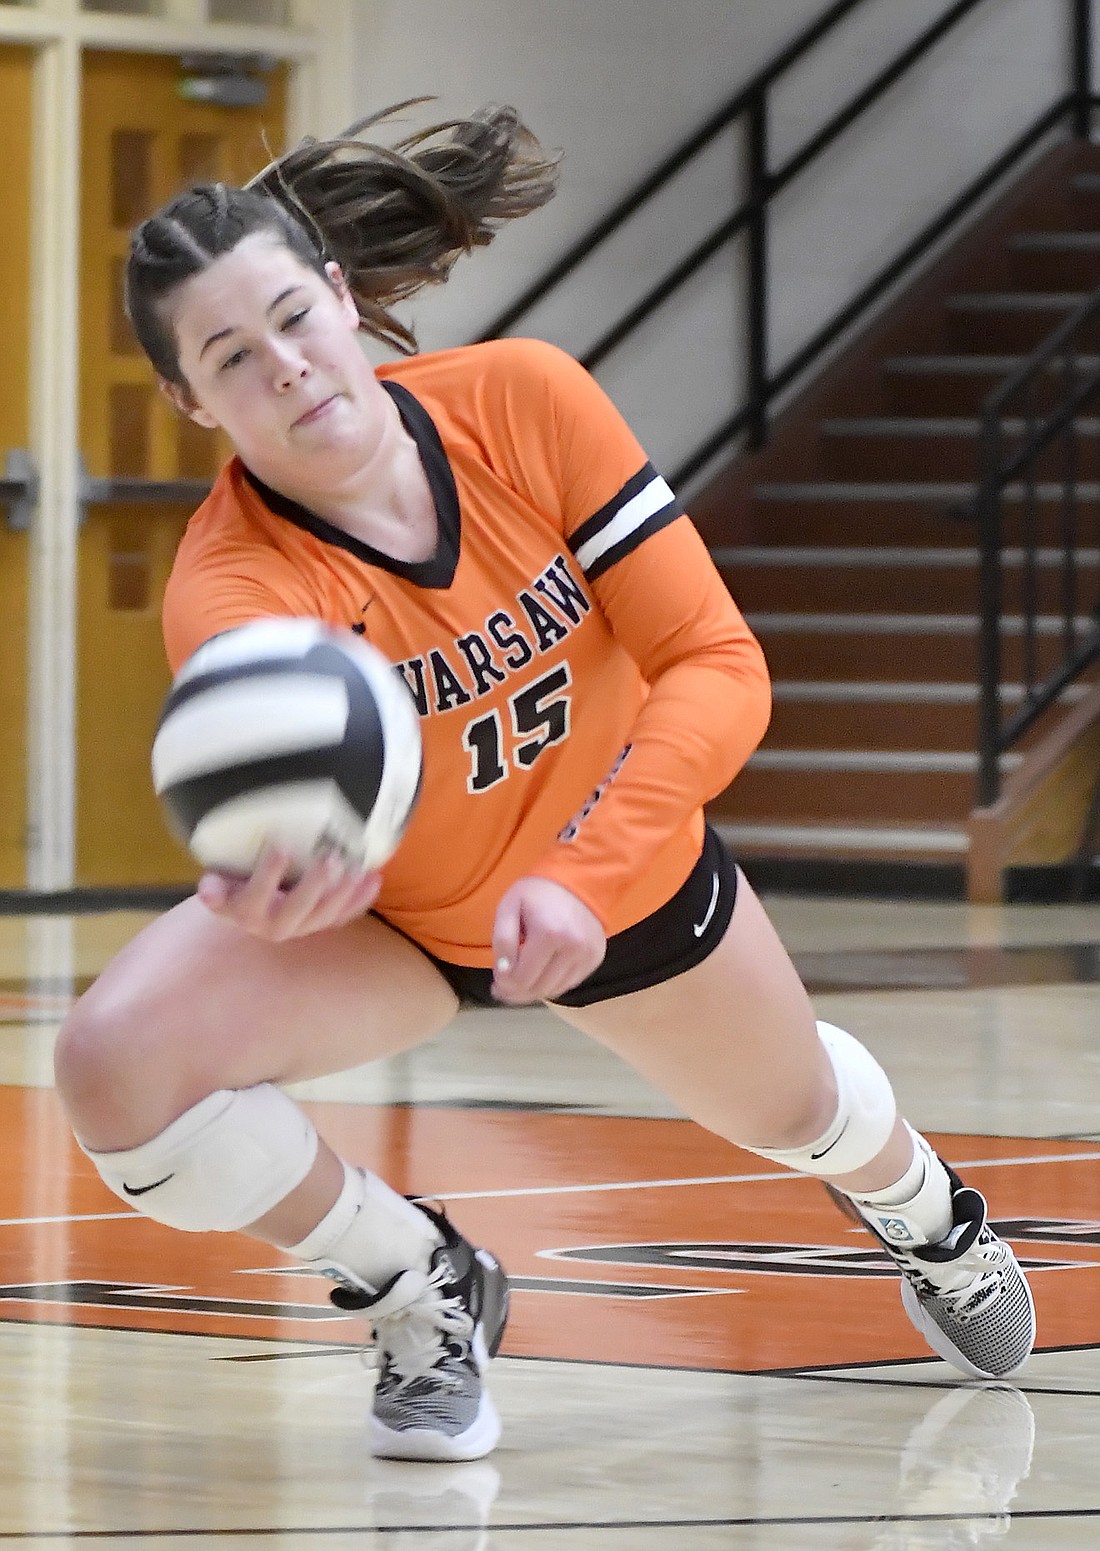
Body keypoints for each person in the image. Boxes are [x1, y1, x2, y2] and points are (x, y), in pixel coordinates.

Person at [53, 101, 1035, 1466]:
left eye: (292, 316)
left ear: (342, 297)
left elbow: (717, 661)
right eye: (230, 354)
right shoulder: (233, 589)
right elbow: (289, 784)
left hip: (620, 876)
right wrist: (284, 872)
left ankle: (934, 1218)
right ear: (189, 401)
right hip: (397, 919)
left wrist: (578, 873)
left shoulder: (523, 399)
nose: (282, 366)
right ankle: (416, 1282)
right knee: (114, 1068)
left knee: (798, 1116)